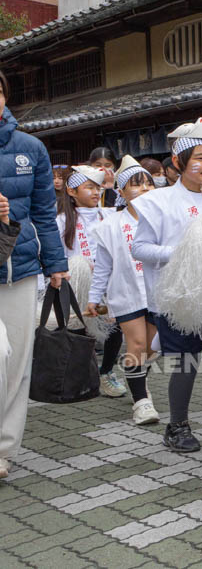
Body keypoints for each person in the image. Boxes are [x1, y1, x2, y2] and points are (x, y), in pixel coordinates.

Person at [132, 118, 202, 452]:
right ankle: (177, 426)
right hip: (178, 297)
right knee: (187, 362)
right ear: (179, 163)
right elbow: (139, 247)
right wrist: (180, 253)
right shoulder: (158, 201)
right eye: (199, 158)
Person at [0, 69, 69, 480]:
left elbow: (45, 211)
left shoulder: (32, 148)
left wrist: (56, 263)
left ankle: (3, 448)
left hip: (21, 269)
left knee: (17, 363)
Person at [87, 156, 160, 425]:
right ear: (120, 192)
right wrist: (95, 298)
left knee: (152, 347)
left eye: (148, 185)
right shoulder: (110, 226)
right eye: (135, 185)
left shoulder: (163, 219)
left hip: (156, 294)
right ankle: (142, 403)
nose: (143, 190)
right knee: (137, 344)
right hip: (126, 293)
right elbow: (103, 267)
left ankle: (136, 378)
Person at [55, 165, 126, 398]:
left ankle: (106, 372)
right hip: (76, 281)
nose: (96, 192)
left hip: (108, 280)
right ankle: (80, 377)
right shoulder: (62, 220)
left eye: (98, 187)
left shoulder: (109, 214)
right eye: (89, 188)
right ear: (72, 191)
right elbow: (58, 254)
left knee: (114, 327)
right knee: (78, 329)